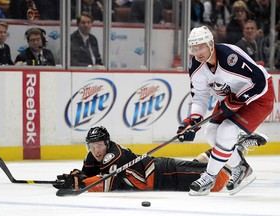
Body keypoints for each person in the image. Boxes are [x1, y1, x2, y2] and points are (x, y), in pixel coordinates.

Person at [177, 25, 274, 196]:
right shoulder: (195, 66)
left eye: (201, 46)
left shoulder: (230, 57)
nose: (197, 52)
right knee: (211, 133)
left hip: (259, 97)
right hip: (230, 98)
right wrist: (192, 121)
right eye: (193, 47)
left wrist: (237, 101)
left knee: (226, 130)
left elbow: (259, 81)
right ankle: (241, 167)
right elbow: (200, 96)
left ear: (211, 44)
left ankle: (209, 176)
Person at [54, 126, 267, 193]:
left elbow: (106, 183)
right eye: (92, 146)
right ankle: (226, 149)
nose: (96, 150)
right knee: (201, 168)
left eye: (99, 145)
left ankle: (235, 153)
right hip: (160, 176)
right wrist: (76, 177)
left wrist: (79, 183)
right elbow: (91, 175)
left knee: (217, 183)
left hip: (164, 173)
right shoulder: (92, 155)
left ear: (107, 143)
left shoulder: (114, 154)